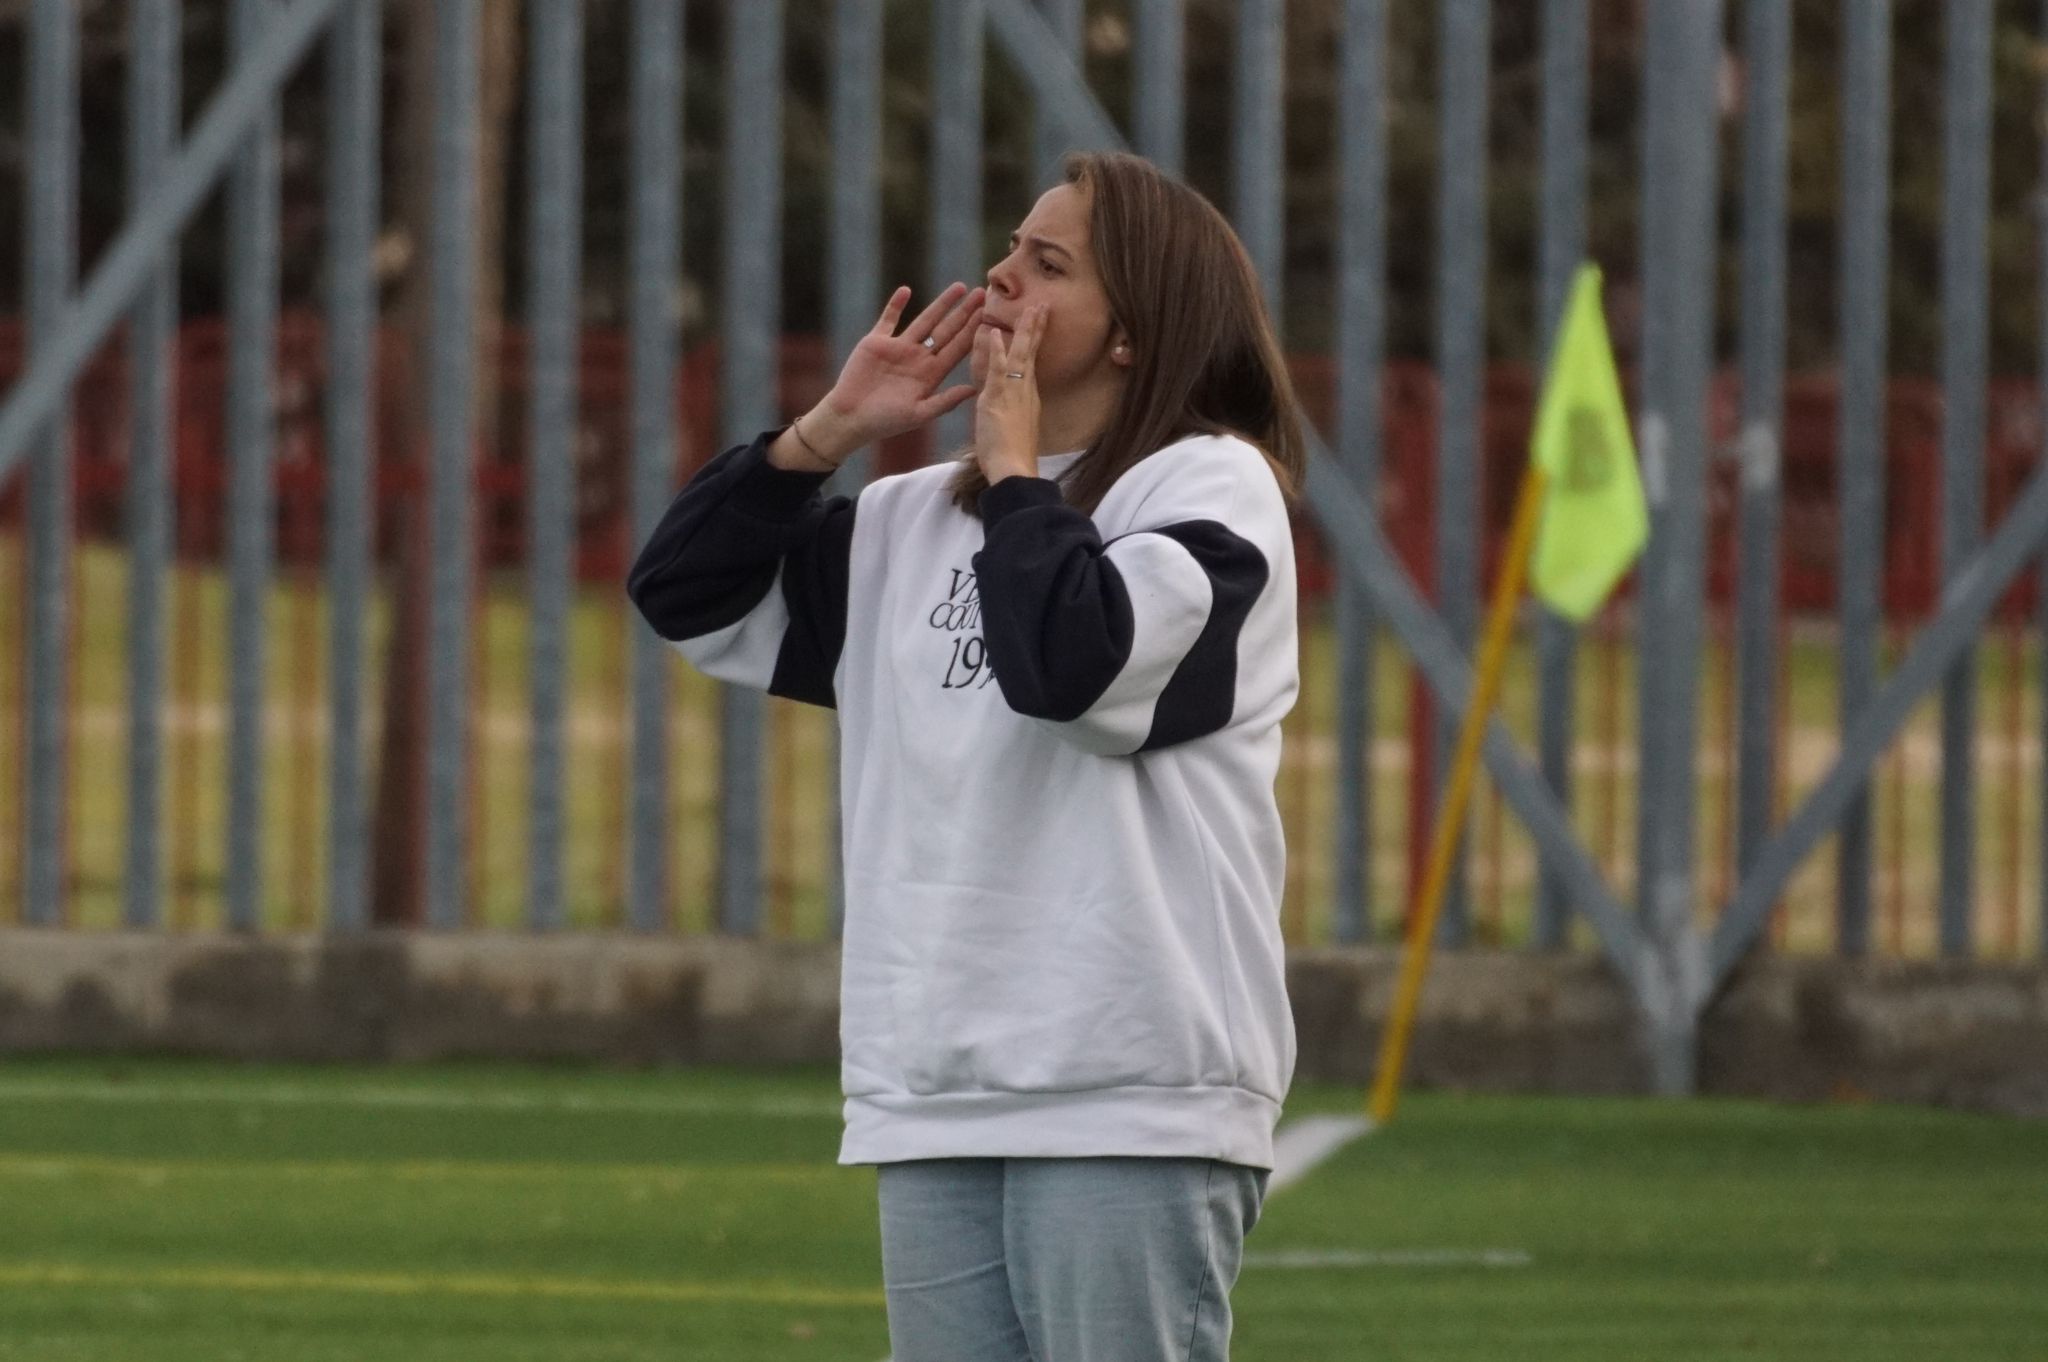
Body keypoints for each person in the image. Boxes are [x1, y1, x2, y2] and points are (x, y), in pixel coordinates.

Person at [628, 151, 1305, 1362]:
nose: (997, 276)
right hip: (936, 1083)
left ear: (1129, 338)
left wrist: (1008, 471)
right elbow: (684, 594)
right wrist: (824, 434)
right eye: (1009, 247)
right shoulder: (906, 518)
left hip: (1127, 1087)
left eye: (1046, 265)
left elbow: (1072, 671)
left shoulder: (1209, 486)